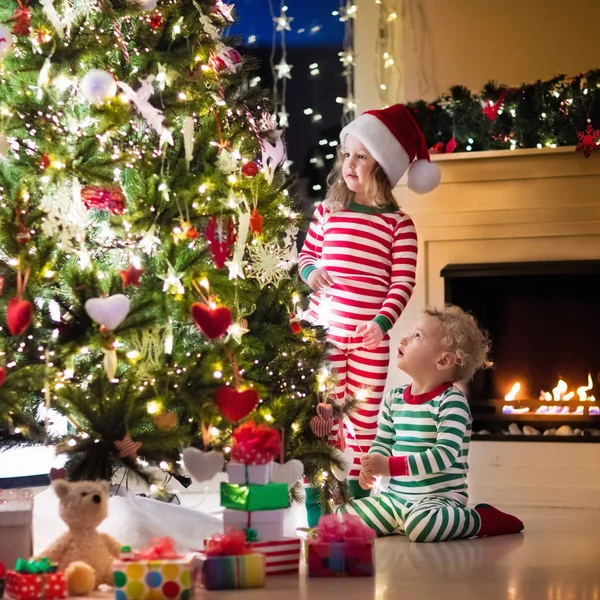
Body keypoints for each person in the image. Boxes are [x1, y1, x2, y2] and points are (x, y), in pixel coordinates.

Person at [298, 104, 441, 526]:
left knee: (363, 420)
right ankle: (316, 505)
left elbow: (402, 284)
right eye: (347, 155)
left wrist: (381, 324)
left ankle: (358, 503)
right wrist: (312, 272)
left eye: (362, 156)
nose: (350, 164)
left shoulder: (399, 224)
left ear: (384, 166)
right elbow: (307, 255)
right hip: (323, 333)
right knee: (322, 417)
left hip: (368, 342)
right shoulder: (328, 212)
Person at [338, 305, 524, 542]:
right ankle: (402, 520)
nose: (404, 339)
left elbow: (443, 456)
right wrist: (371, 469)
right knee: (342, 517)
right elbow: (382, 442)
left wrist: (389, 466)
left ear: (443, 360)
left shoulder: (452, 402)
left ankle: (480, 519)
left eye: (417, 336)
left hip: (439, 500)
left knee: (422, 526)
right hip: (396, 498)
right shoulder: (394, 398)